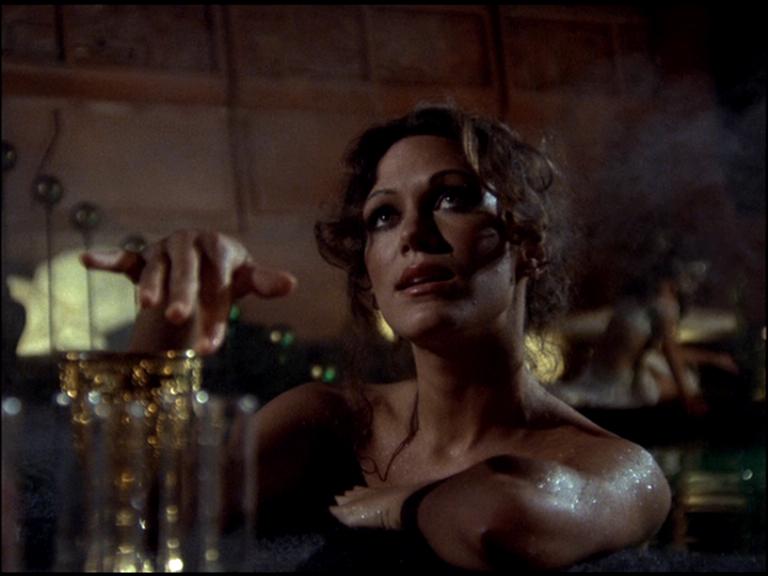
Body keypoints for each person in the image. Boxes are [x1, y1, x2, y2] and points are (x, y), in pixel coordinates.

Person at [81, 105, 671, 571]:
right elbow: (144, 516)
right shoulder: (333, 421)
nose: (414, 233)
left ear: (528, 245)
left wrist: (403, 506)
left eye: (452, 197)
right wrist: (165, 325)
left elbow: (504, 515)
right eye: (384, 216)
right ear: (369, 273)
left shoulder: (612, 463)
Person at [551, 258, 739, 413]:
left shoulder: (634, 296)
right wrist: (688, 397)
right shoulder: (665, 305)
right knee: (688, 382)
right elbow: (670, 351)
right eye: (691, 278)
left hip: (595, 373)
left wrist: (714, 358)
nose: (692, 285)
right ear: (679, 275)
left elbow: (662, 351)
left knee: (670, 372)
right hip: (617, 386)